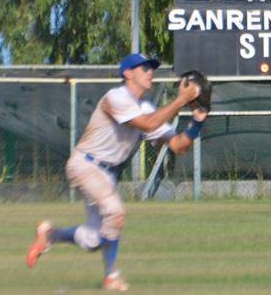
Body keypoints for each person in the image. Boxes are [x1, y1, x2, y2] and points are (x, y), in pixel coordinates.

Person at [26, 53, 207, 292]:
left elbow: (178, 146)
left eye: (151, 68)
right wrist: (181, 99)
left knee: (94, 240)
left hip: (106, 174)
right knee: (115, 211)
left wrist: (197, 122)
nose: (149, 72)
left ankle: (49, 235)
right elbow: (148, 124)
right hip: (85, 164)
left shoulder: (145, 108)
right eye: (143, 68)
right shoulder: (116, 97)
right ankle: (110, 276)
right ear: (127, 73)